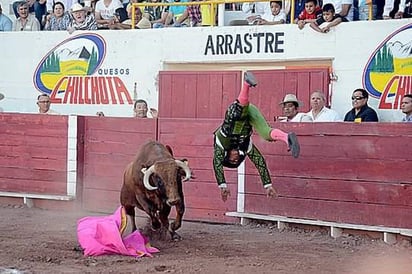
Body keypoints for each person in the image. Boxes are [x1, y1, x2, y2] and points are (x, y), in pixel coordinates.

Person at [213, 71, 300, 202]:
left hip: (236, 111)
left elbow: (217, 164)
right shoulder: (245, 147)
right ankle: (287, 138)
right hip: (250, 114)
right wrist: (268, 185)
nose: (235, 158)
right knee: (265, 133)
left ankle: (246, 84)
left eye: (231, 159)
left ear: (226, 156)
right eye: (236, 160)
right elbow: (260, 162)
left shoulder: (221, 144)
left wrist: (222, 185)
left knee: (237, 114)